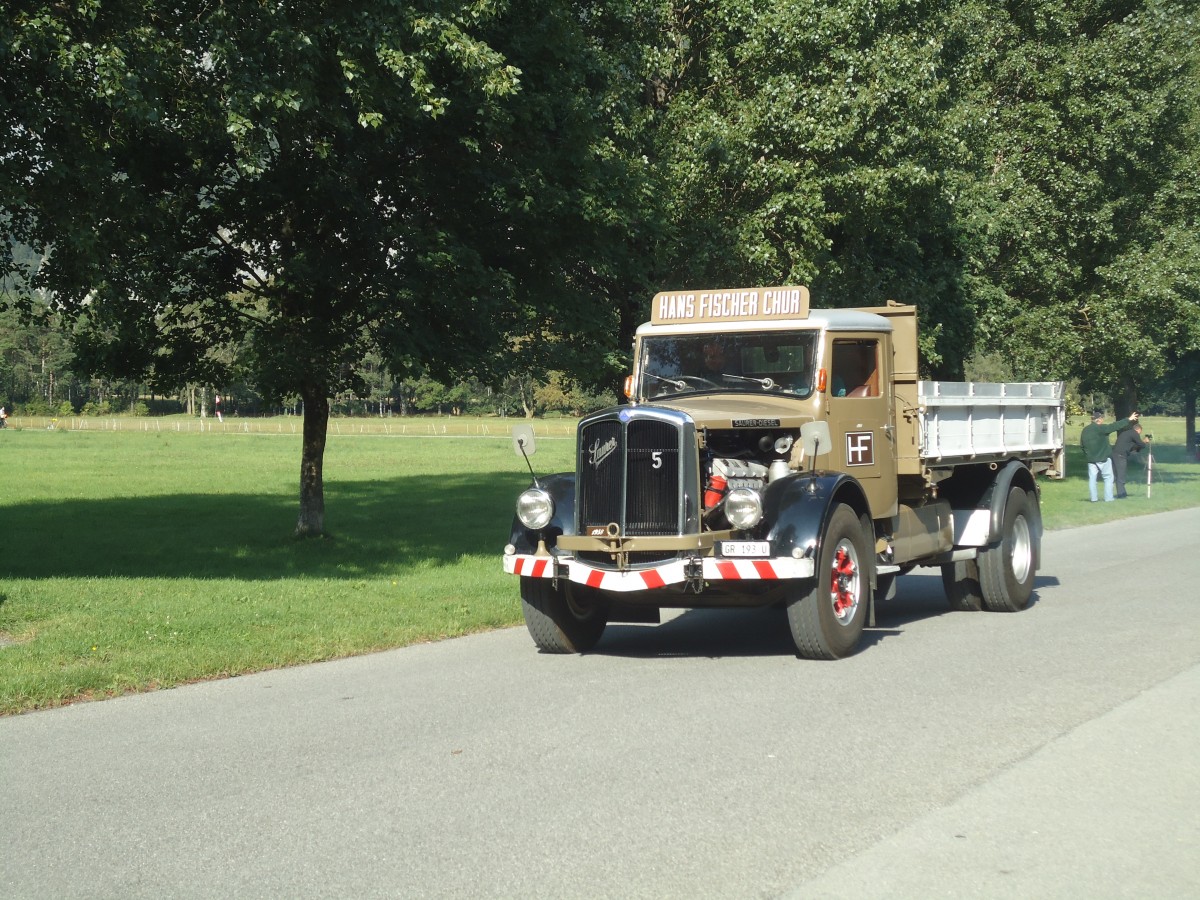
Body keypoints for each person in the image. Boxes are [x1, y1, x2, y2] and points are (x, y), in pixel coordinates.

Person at [1080, 408, 1139, 502]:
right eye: (1102, 418)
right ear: (1099, 419)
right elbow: (1115, 426)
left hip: (1091, 459)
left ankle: (1094, 499)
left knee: (1092, 480)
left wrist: (1087, 455)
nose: (1103, 420)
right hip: (1103, 458)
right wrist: (1128, 419)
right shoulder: (1101, 428)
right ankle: (1108, 498)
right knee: (1108, 478)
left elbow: (1082, 446)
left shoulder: (1085, 430)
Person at [1112, 422, 1150, 498]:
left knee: (1119, 475)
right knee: (1121, 475)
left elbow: (1133, 446)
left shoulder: (1127, 433)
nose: (1139, 434)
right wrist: (1145, 441)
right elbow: (1140, 444)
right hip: (1120, 456)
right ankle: (1121, 495)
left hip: (1116, 454)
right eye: (1140, 432)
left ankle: (1122, 493)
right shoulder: (1134, 433)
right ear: (1138, 429)